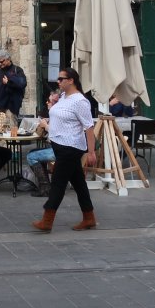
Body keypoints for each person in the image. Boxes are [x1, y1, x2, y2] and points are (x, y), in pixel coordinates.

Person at [32, 67, 98, 233]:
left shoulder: (80, 101)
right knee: (79, 183)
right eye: (58, 79)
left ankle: (47, 220)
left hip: (71, 147)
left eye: (61, 79)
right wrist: (53, 106)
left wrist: (91, 152)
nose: (58, 81)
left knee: (58, 183)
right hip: (60, 145)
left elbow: (89, 127)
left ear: (71, 80)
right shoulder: (63, 97)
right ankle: (89, 217)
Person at [26, 90, 59, 197]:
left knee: (31, 156)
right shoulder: (56, 114)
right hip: (58, 148)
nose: (47, 103)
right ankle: (46, 186)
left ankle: (45, 188)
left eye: (49, 101)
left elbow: (58, 134)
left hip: (59, 150)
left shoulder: (58, 114)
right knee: (33, 152)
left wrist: (46, 126)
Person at [0, 50, 27, 116]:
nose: (0, 64)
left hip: (13, 108)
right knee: (0, 126)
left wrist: (8, 82)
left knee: (12, 126)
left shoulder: (17, 70)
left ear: (8, 59)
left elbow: (22, 84)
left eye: (1, 61)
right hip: (0, 108)